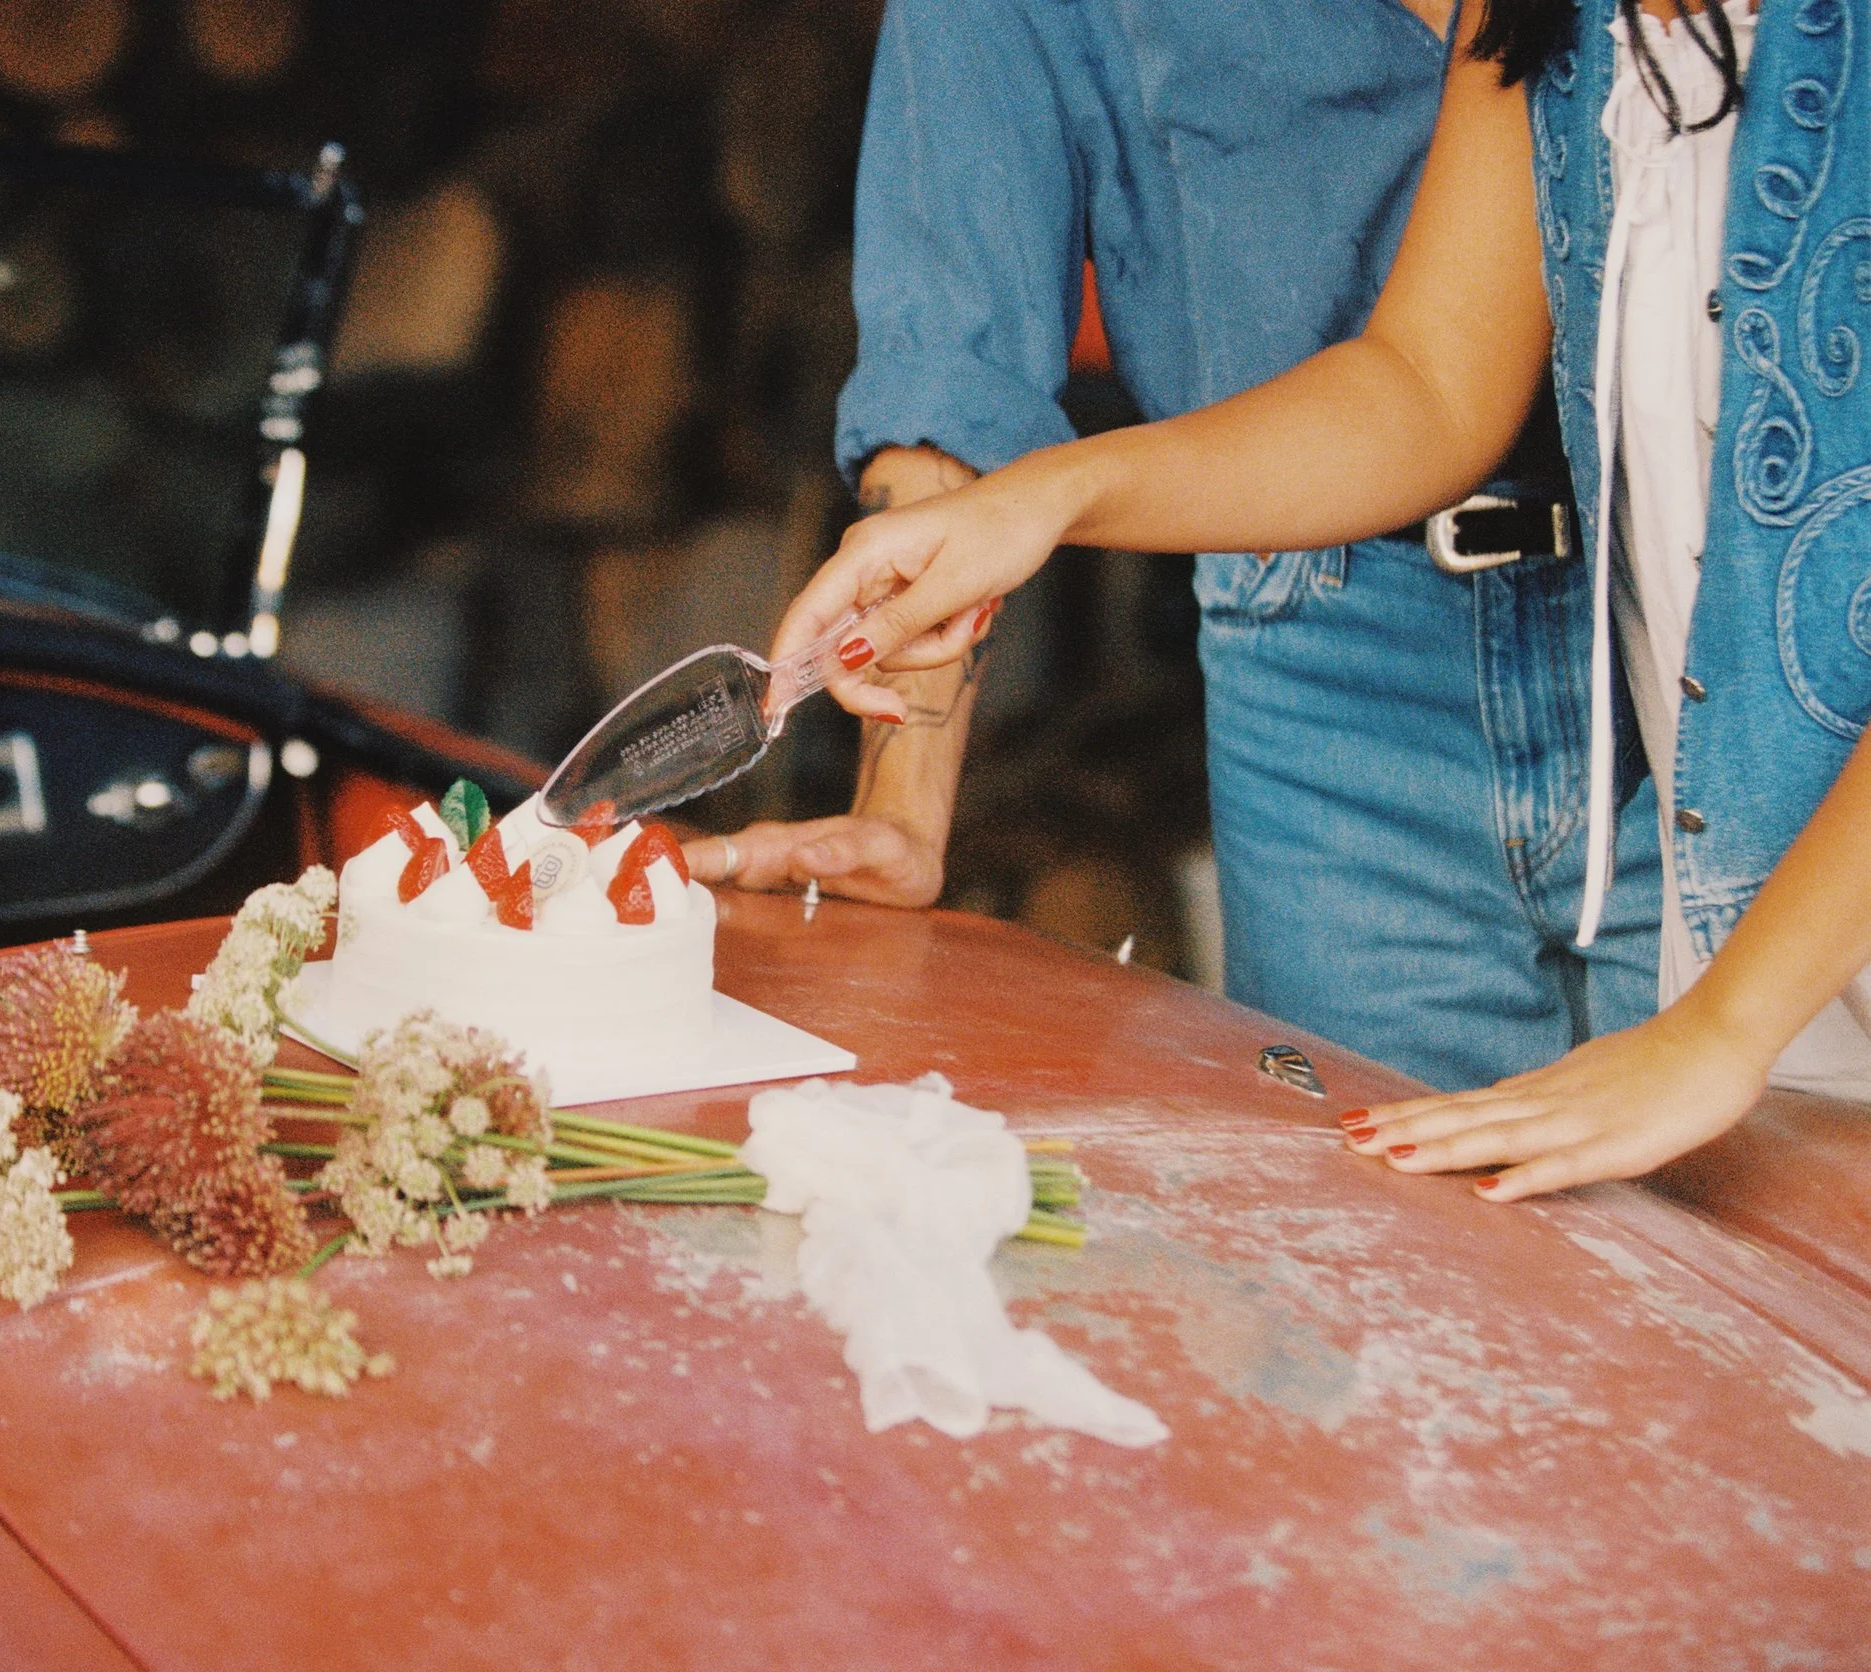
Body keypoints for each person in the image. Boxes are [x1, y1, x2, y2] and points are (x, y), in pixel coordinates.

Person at [769, 0, 1871, 1199]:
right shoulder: (1558, 32)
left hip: (1771, 844)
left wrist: (1722, 1032)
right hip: (1712, 833)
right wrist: (1043, 502)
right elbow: (1427, 386)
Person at [684, 0, 1667, 1096]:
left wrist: (1053, 499)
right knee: (1379, 1228)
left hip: (1697, 618)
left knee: (1763, 1231)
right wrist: (900, 804)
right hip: (1324, 640)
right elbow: (957, 363)